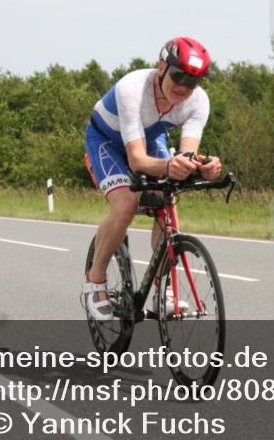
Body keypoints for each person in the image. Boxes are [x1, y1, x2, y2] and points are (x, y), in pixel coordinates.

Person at [83, 37, 222, 321]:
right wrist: (172, 165)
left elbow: (186, 154)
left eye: (192, 81)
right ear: (161, 66)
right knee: (125, 204)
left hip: (149, 138)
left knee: (167, 200)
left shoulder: (198, 102)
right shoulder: (132, 88)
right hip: (106, 142)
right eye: (178, 75)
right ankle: (95, 278)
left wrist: (201, 165)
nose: (183, 86)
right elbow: (137, 160)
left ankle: (164, 290)